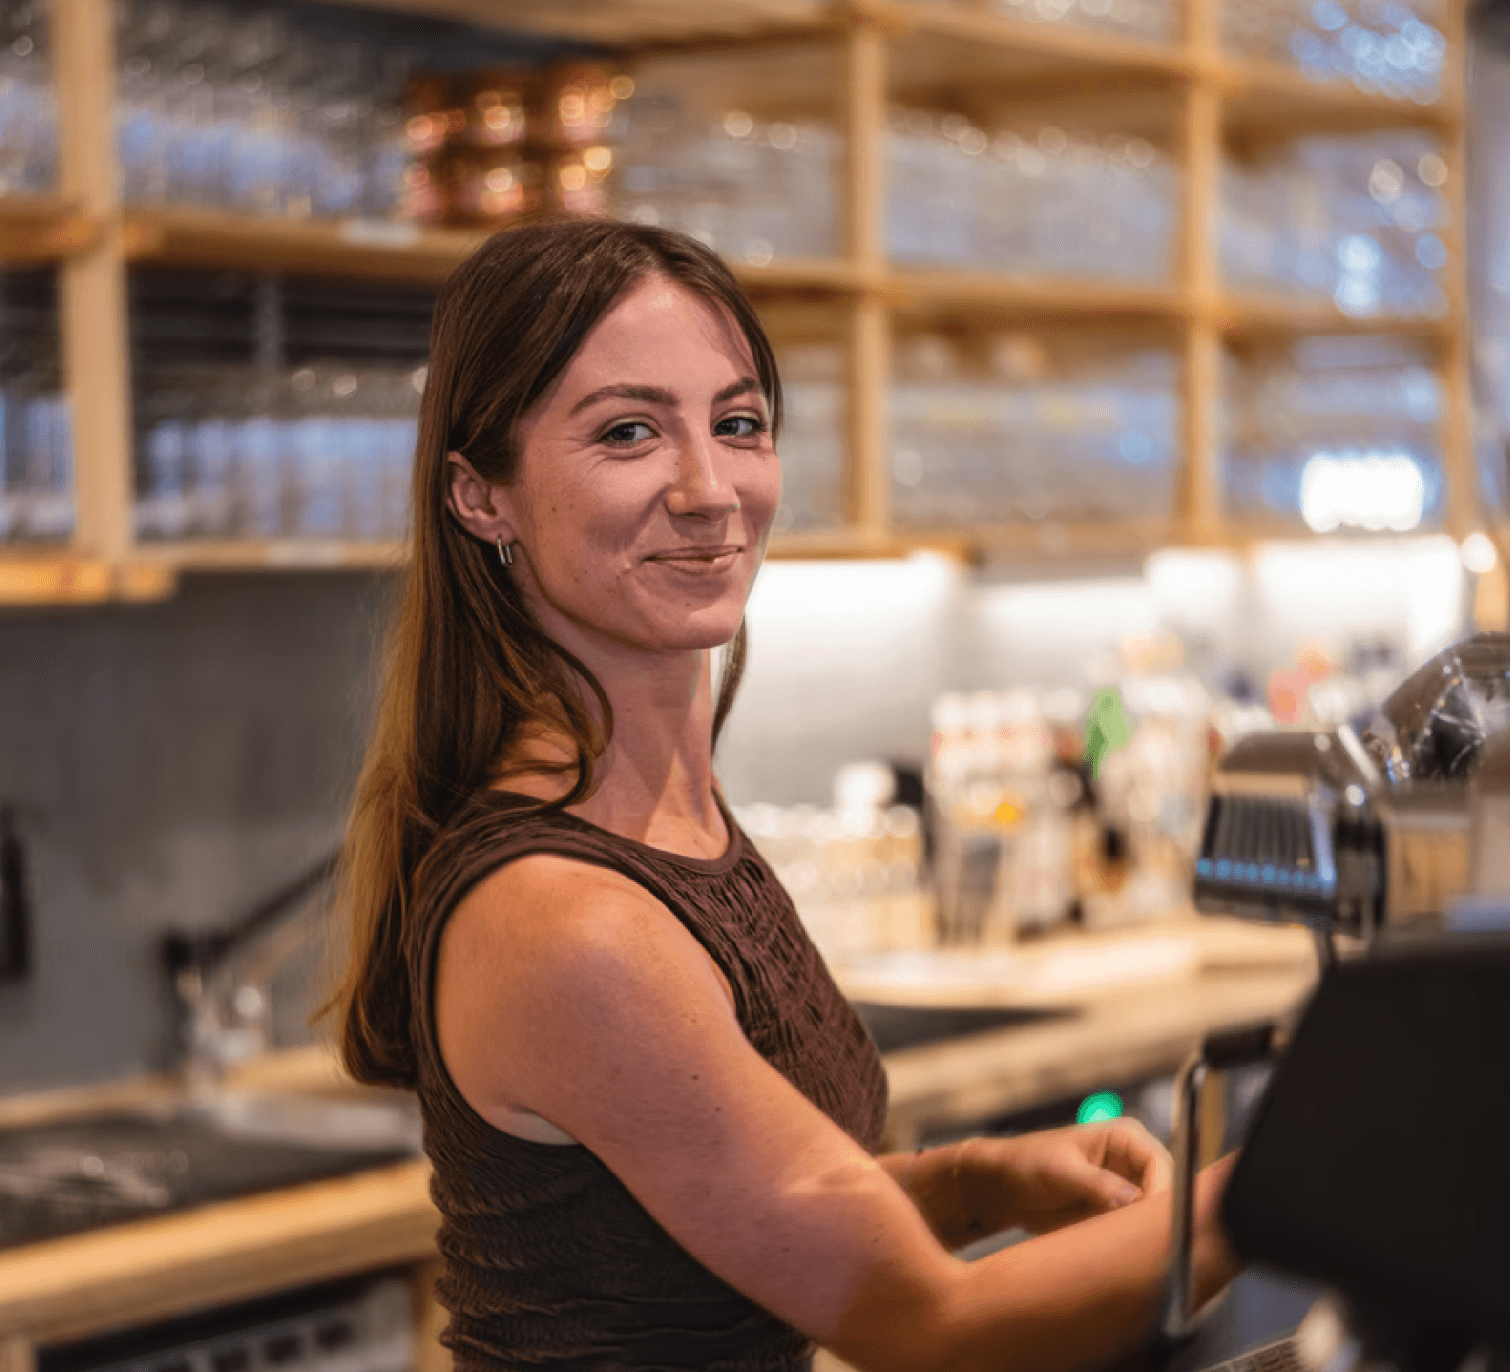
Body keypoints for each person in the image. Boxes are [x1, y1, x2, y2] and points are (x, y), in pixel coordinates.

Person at [333, 217, 1239, 1371]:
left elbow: (718, 1240)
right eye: (627, 432)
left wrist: (971, 1181)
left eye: (737, 423)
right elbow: (932, 1324)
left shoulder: (665, 823)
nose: (709, 490)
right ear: (479, 496)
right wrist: (1289, 1186)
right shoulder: (571, 921)